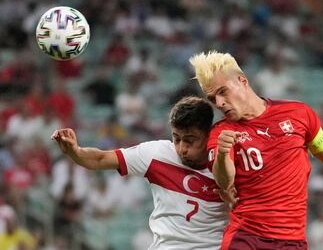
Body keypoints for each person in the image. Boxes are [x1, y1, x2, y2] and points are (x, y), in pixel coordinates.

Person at [189, 51, 323, 249]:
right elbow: (224, 182)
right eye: (212, 98)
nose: (219, 102)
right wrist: (224, 153)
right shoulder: (221, 133)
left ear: (242, 81)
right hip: (247, 239)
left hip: (293, 243)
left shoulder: (298, 114)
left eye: (222, 92)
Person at [51, 96, 229, 250]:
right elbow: (100, 159)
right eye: (176, 138)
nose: (181, 148)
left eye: (190, 141)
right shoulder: (157, 154)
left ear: (208, 135)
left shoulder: (228, 167)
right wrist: (76, 152)